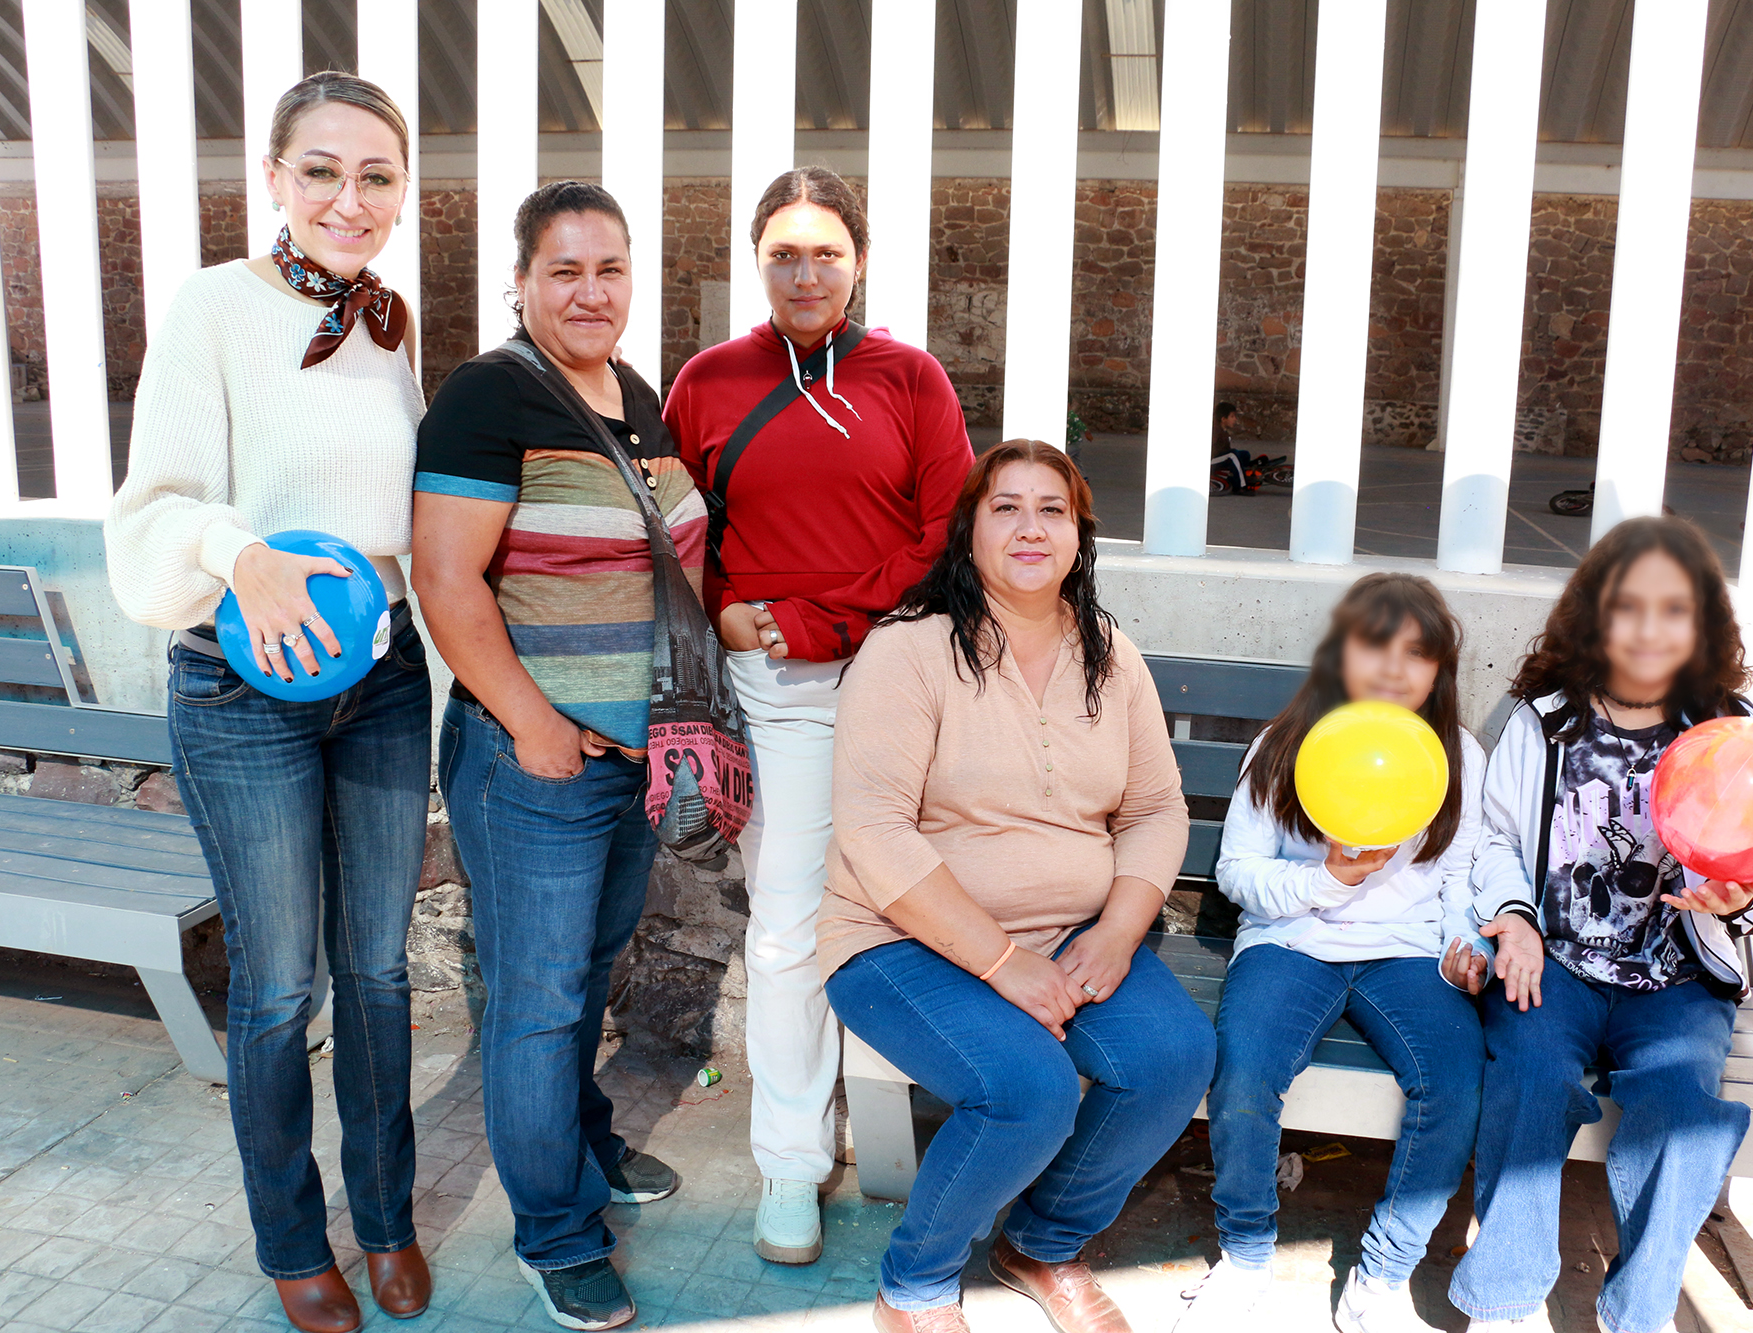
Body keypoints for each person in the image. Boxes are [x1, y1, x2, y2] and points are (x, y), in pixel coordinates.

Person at [104, 72, 432, 1333]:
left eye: (376, 176)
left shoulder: (389, 325)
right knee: (280, 984)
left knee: (380, 971)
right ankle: (295, 1240)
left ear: (400, 193)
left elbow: (401, 520)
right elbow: (155, 503)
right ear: (276, 180)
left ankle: (388, 1217)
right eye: (322, 172)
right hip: (242, 687)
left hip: (380, 681)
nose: (350, 199)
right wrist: (240, 553)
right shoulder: (213, 307)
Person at [823, 440, 1216, 1333]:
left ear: (1080, 536)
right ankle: (915, 1284)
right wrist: (1003, 962)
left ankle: (1041, 1244)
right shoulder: (908, 651)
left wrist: (1116, 932)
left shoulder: (1112, 656)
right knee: (1027, 1090)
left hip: (1071, 930)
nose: (1030, 527)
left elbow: (1156, 808)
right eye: (1005, 507)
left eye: (1052, 510)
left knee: (1172, 1058)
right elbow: (874, 831)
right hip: (899, 940)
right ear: (968, 531)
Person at [664, 166, 975, 1263]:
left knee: (912, 910)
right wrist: (728, 608)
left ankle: (927, 1125)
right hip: (777, 695)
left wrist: (820, 617)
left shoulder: (910, 378)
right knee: (790, 927)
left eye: (826, 253)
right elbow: (671, 534)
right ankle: (793, 1160)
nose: (806, 274)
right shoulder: (709, 381)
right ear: (757, 262)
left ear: (860, 261)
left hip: (903, 679)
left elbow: (948, 532)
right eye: (784, 254)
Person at [411, 181, 688, 1332]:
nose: (589, 291)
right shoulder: (489, 394)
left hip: (623, 761)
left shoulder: (634, 395)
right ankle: (557, 1234)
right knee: (534, 1002)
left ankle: (580, 1143)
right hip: (534, 763)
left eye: (608, 268)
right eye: (563, 270)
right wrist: (533, 723)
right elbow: (445, 577)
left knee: (584, 977)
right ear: (519, 282)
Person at [1448, 516, 1753, 1333]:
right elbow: (1495, 840)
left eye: (1673, 609)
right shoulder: (1543, 719)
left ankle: (1638, 1311)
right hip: (1556, 964)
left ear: (1702, 625)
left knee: (1683, 1110)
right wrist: (1515, 920)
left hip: (1676, 980)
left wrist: (1739, 900)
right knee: (1530, 1075)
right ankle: (1503, 1298)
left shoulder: (1731, 732)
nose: (1647, 629)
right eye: (1628, 606)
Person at [1175, 573, 1488, 1333]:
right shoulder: (1285, 746)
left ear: (1440, 671)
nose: (1394, 668)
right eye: (1375, 646)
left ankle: (1382, 1277)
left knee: (1453, 1084)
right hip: (1291, 942)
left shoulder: (1457, 757)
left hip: (1407, 953)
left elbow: (1460, 879)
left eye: (1417, 653)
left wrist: (1466, 944)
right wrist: (1327, 880)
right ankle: (1245, 1255)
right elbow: (1239, 873)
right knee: (1245, 1070)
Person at [1211, 401, 1256, 495]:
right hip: (1210, 461)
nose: (1235, 419)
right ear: (1223, 419)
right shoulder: (1215, 430)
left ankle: (1236, 478)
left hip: (1218, 457)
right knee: (1232, 455)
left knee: (1244, 454)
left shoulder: (1223, 430)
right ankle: (1241, 486)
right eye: (1232, 416)